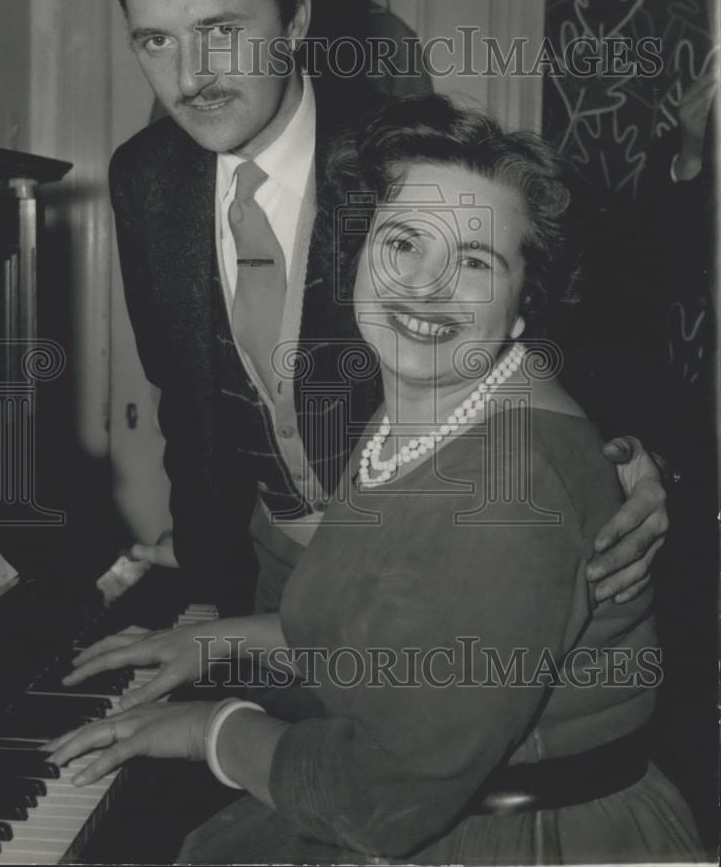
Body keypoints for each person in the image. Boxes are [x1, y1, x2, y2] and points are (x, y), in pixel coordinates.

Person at [49, 97, 700, 864]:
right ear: (358, 252)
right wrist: (212, 644)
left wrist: (205, 729)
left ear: (524, 303)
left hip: (519, 837)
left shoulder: (509, 485)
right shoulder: (415, 412)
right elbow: (382, 639)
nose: (423, 286)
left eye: (476, 261)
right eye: (403, 243)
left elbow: (382, 797)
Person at [108, 0, 666, 619]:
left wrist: (643, 457)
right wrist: (211, 588)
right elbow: (185, 399)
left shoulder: (407, 156)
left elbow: (558, 328)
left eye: (220, 30)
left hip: (431, 565)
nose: (189, 78)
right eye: (156, 38)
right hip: (266, 565)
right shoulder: (143, 176)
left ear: (295, 18)